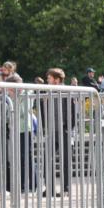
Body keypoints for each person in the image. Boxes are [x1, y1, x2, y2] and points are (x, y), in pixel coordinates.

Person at [39, 68, 76, 197]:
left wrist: (68, 128)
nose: (47, 80)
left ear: (57, 79)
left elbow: (73, 111)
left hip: (64, 130)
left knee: (65, 160)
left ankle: (66, 189)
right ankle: (49, 188)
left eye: (49, 78)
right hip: (51, 130)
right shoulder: (48, 92)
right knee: (46, 159)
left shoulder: (67, 91)